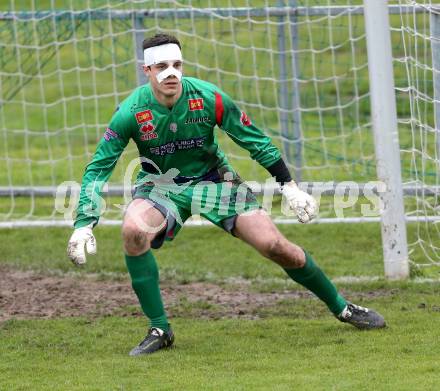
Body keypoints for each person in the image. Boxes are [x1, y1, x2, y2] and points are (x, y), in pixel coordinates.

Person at [67, 33, 385, 356]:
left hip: (215, 181)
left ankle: (343, 308)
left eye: (176, 64)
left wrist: (289, 187)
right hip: (161, 185)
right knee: (133, 231)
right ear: (146, 70)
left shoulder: (208, 98)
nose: (171, 73)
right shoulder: (130, 112)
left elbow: (254, 139)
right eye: (161, 66)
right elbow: (98, 167)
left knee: (277, 246)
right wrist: (84, 222)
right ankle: (160, 327)